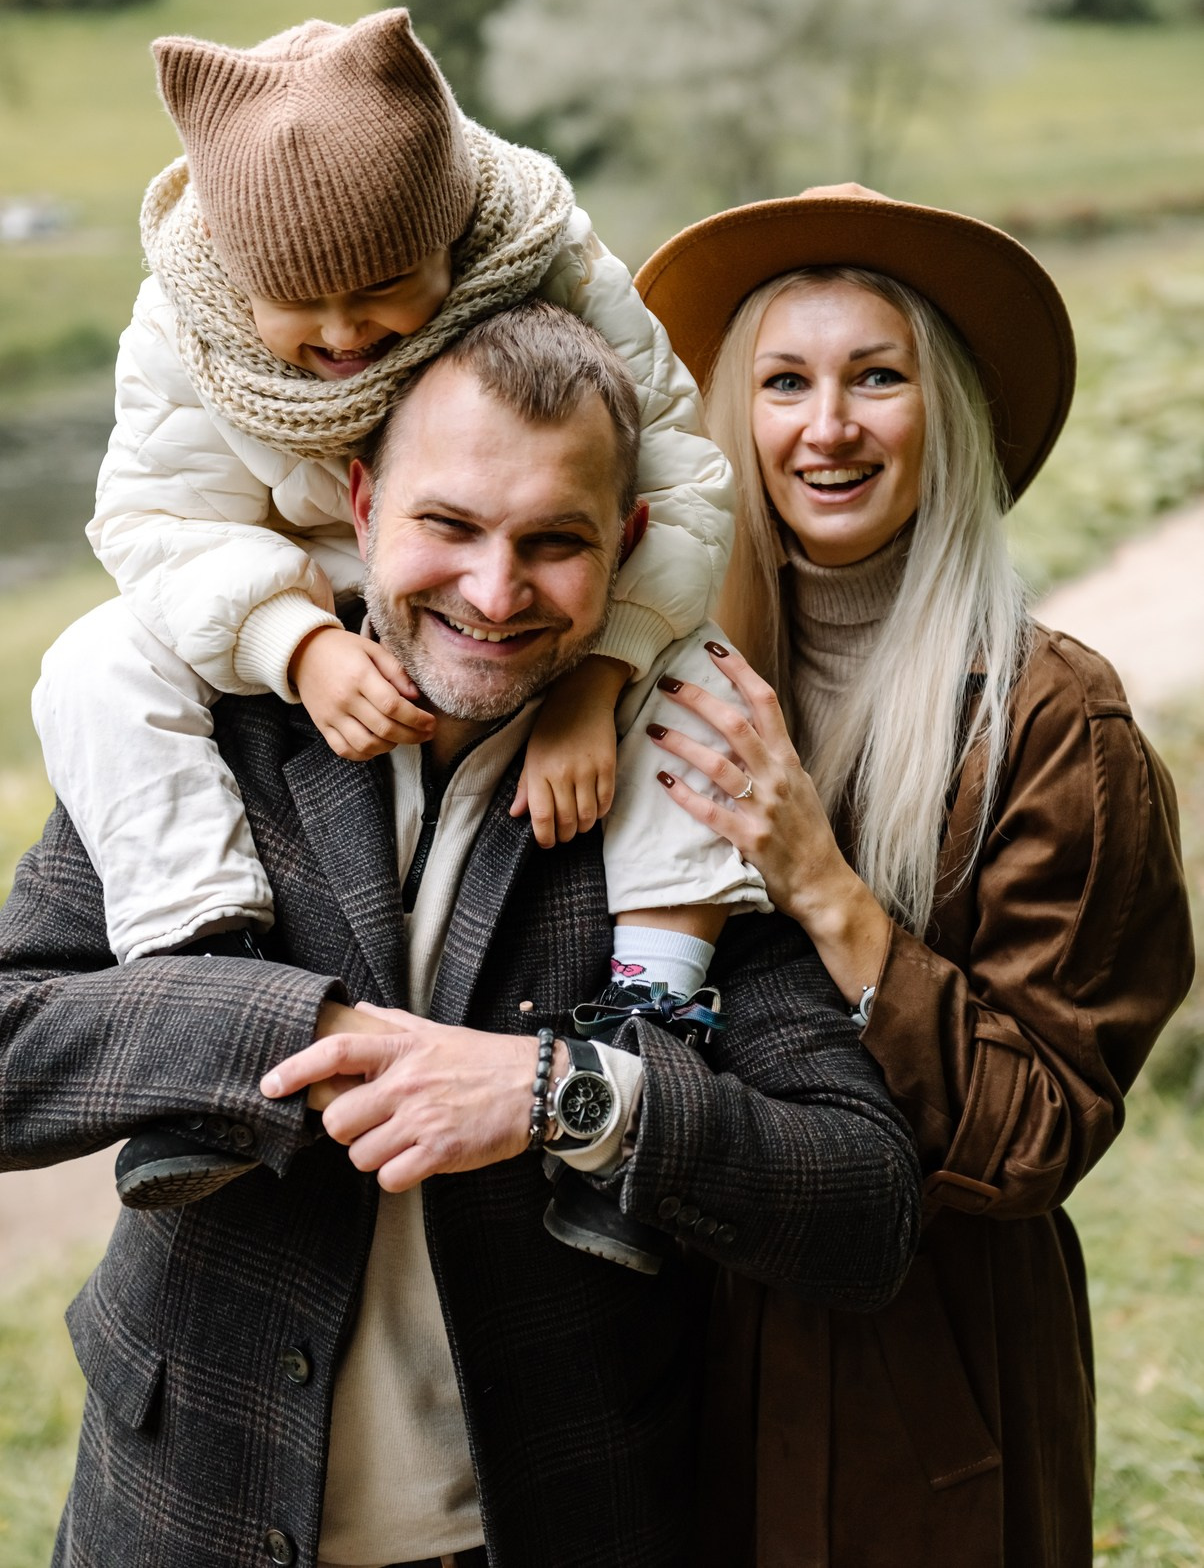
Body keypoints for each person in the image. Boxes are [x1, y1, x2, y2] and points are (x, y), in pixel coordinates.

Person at [0, 299, 920, 1568]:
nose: (494, 592)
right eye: (448, 525)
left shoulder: (685, 771)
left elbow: (861, 1202)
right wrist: (298, 1026)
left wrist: (561, 1091)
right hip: (180, 1513)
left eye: (554, 541)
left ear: (630, 543)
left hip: (551, 1523)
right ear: (363, 504)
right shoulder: (197, 724)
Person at [32, 8, 762, 1217]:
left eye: (380, 292)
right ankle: (200, 972)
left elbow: (680, 481)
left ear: (452, 243)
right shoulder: (188, 317)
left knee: (708, 682)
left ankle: (650, 1018)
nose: (338, 334)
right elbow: (155, 516)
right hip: (278, 593)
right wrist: (294, 639)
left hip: (528, 615)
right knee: (92, 660)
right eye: (298, 304)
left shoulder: (544, 258)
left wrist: (602, 677)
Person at [632, 184, 1194, 1568]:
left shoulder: (1059, 724)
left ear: (942, 409)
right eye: (785, 381)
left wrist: (819, 879)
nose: (827, 428)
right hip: (677, 1354)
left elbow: (1034, 1130)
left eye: (875, 377)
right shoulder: (662, 683)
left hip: (926, 1382)